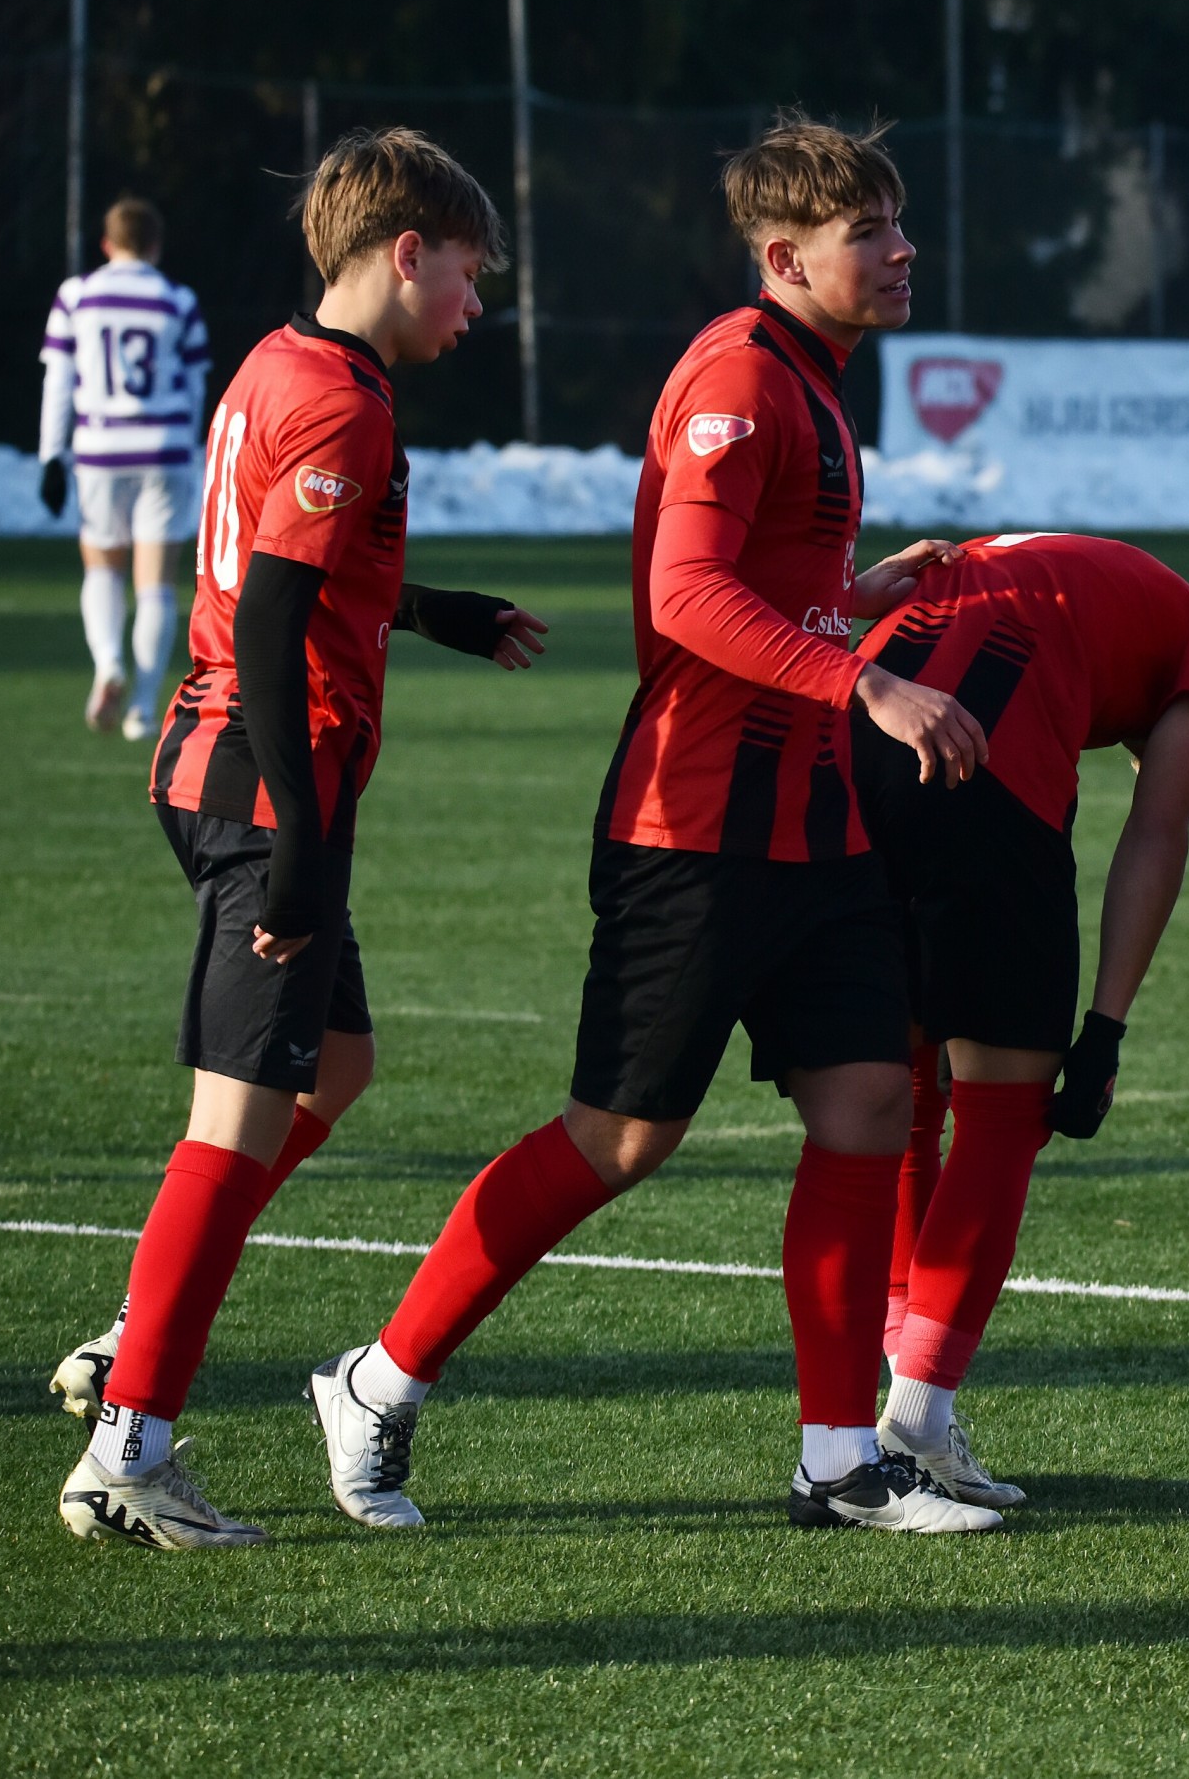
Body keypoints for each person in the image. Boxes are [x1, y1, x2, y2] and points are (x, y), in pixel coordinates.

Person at [305, 115, 998, 1536]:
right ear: (788, 254)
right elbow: (684, 599)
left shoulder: (807, 372)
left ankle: (836, 1459)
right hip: (696, 825)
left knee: (870, 1101)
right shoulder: (742, 374)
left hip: (808, 823)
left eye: (896, 222)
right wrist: (863, 676)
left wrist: (852, 596)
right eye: (871, 230)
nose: (902, 248)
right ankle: (378, 1379)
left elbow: (748, 586)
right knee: (619, 1139)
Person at [54, 130, 546, 1550]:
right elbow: (268, 622)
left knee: (341, 1063)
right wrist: (305, 848)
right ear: (407, 252)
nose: (474, 300)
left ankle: (138, 1338)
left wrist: (429, 604)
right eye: (467, 272)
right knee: (235, 1123)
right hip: (258, 787)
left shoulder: (284, 363)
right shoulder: (346, 405)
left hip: (217, 770)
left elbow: (295, 573)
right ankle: (129, 1445)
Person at [855, 531, 1189, 1517]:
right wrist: (1106, 1028)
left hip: (844, 739)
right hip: (978, 768)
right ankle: (918, 1406)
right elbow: (1157, 828)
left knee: (896, 1095)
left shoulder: (1046, 564)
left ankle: (894, 1396)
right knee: (1003, 1107)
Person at [40, 196, 213, 741]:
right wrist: (191, 453)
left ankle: (108, 661)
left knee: (103, 567)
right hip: (163, 448)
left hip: (100, 451)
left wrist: (51, 454)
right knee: (156, 581)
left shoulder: (77, 297)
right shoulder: (177, 300)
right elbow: (194, 387)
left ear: (106, 245)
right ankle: (142, 705)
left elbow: (58, 382)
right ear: (156, 246)